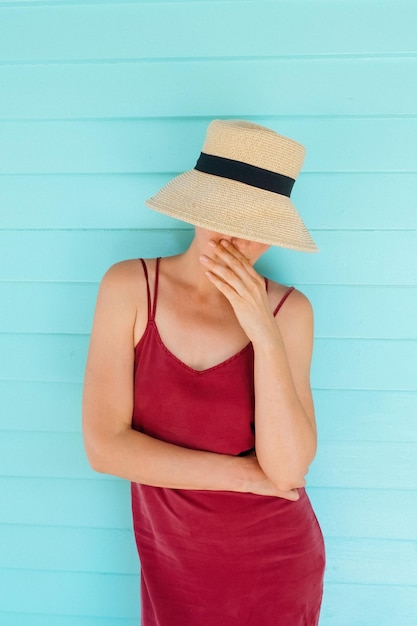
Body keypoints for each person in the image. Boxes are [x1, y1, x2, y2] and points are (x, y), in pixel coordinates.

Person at [82, 119, 325, 625]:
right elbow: (105, 447)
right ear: (196, 207)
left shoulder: (289, 312)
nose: (238, 240)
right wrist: (240, 474)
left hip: (277, 559)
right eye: (225, 217)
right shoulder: (130, 287)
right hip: (174, 561)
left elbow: (286, 471)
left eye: (258, 227)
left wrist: (261, 327)